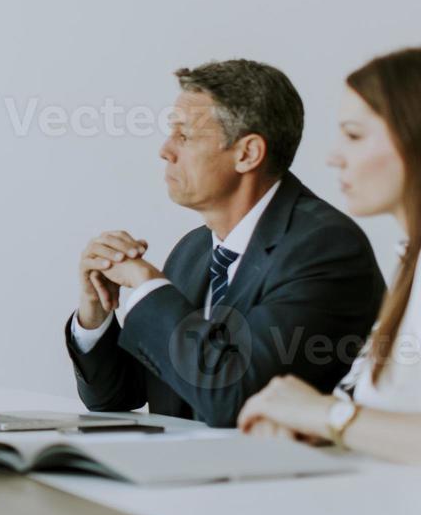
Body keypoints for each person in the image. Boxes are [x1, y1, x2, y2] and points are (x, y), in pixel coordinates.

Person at [65, 59, 386, 427]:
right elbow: (116, 398)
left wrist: (146, 287)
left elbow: (238, 399)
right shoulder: (193, 251)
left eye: (184, 136)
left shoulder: (324, 248)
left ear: (247, 154)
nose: (165, 150)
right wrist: (95, 315)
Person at [239, 45, 421, 470]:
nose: (334, 156)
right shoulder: (419, 256)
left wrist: (328, 415)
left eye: (353, 135)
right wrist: (307, 420)